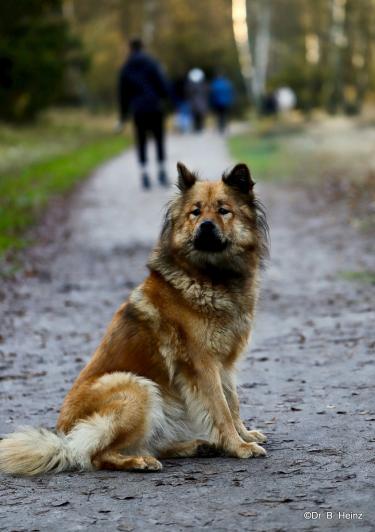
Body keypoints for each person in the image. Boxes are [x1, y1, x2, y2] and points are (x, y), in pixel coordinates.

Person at [117, 38, 170, 189]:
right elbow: (162, 84)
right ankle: (161, 171)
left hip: (138, 110)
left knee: (141, 141)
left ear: (130, 48)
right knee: (159, 139)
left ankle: (144, 174)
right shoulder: (152, 63)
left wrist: (123, 115)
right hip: (155, 107)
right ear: (142, 47)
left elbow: (122, 94)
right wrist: (167, 99)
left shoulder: (126, 67)